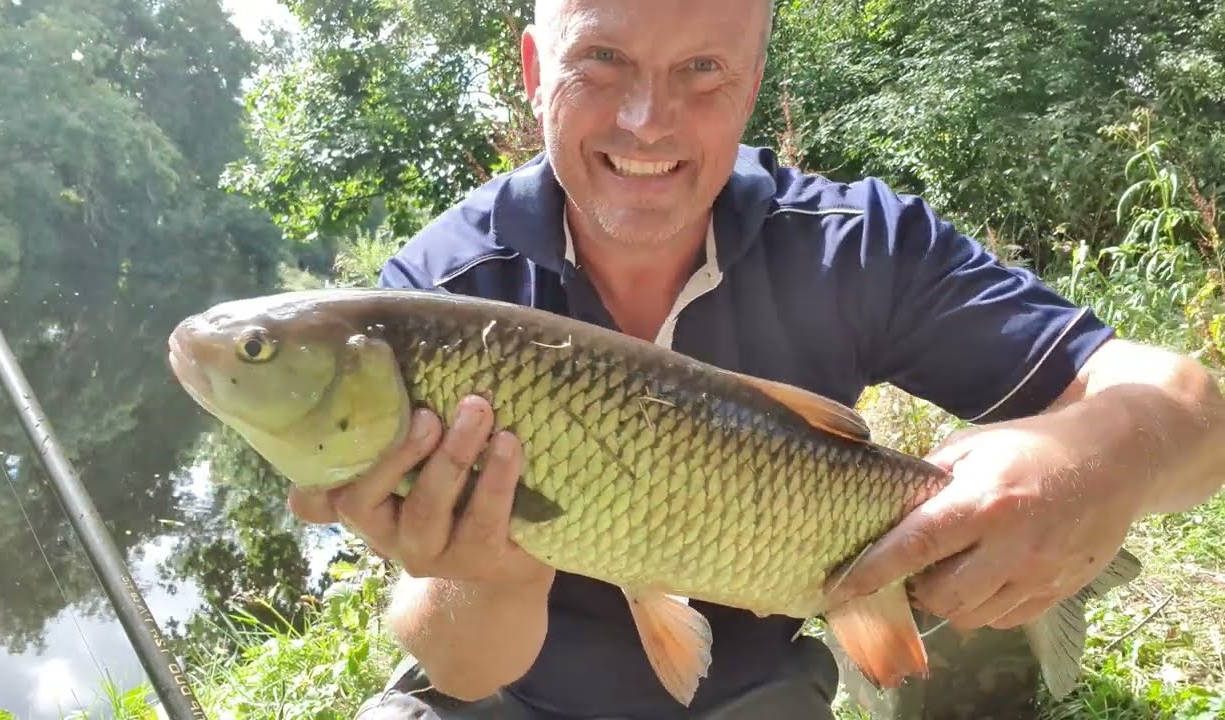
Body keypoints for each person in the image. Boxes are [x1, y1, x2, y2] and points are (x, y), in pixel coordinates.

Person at [288, 0, 1225, 717]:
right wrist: (485, 567)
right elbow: (461, 666)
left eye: (703, 69)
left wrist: (1100, 459)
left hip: (752, 683)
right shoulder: (437, 305)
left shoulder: (856, 245)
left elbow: (1196, 416)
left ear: (752, 77)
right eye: (602, 61)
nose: (648, 121)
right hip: (503, 692)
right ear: (536, 67)